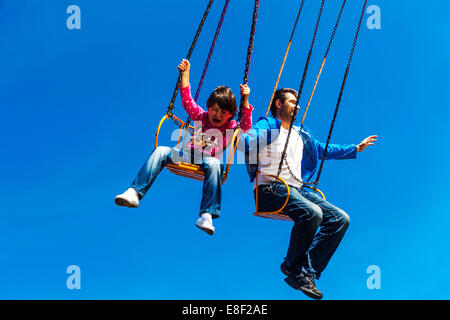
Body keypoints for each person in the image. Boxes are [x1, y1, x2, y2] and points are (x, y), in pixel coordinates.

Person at [240, 88, 377, 299]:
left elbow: (322, 149)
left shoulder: (301, 133)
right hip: (269, 188)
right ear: (278, 104)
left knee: (340, 219)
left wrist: (354, 148)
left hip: (297, 190)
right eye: (293, 102)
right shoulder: (268, 125)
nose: (298, 106)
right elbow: (247, 141)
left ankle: (305, 270)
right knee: (313, 213)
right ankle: (292, 267)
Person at [115, 59, 253, 235]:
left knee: (215, 164)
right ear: (208, 107)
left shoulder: (230, 127)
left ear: (231, 114)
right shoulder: (200, 116)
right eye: (214, 109)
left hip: (206, 161)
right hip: (186, 154)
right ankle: (134, 192)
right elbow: (187, 100)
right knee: (161, 150)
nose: (217, 114)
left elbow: (246, 127)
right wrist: (186, 73)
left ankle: (206, 215)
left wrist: (246, 100)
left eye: (223, 112)